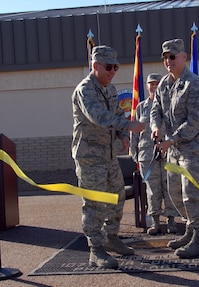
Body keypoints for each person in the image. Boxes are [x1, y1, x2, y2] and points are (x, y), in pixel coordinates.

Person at [71, 45, 146, 269]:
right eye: (108, 67)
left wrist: (123, 135)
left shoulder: (110, 90)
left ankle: (112, 237)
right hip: (90, 156)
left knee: (117, 197)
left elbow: (117, 113)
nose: (113, 71)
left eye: (116, 67)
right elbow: (99, 116)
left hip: (109, 155)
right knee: (95, 203)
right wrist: (129, 126)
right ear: (95, 66)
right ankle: (96, 249)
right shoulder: (85, 90)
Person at [150, 39, 199, 259]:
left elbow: (195, 122)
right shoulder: (165, 84)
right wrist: (156, 126)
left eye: (173, 56)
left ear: (184, 57)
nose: (168, 61)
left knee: (191, 193)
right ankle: (190, 229)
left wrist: (171, 140)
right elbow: (155, 109)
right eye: (165, 57)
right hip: (174, 148)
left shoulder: (194, 85)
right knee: (175, 192)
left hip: (192, 148)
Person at [131, 73, 179, 235]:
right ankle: (155, 222)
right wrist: (135, 153)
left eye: (157, 84)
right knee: (152, 189)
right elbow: (135, 133)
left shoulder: (169, 105)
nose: (154, 86)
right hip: (147, 154)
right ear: (146, 86)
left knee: (169, 187)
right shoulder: (141, 108)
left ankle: (171, 220)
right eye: (151, 84)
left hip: (167, 154)